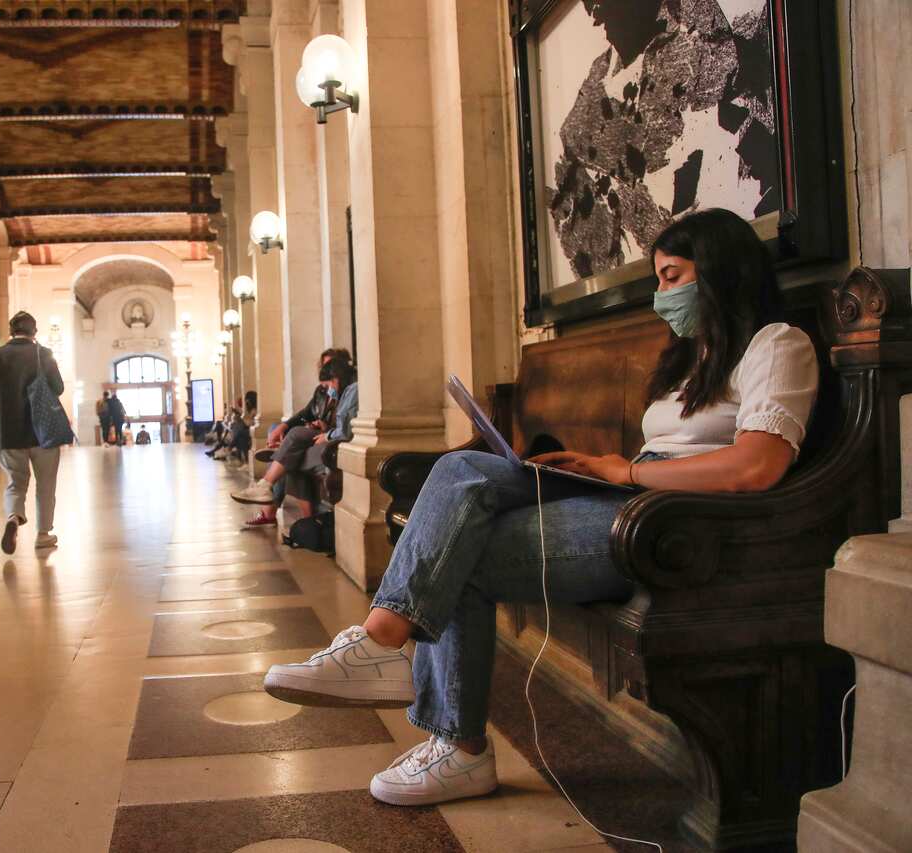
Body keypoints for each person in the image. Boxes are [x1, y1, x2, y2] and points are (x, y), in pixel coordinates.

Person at [261, 208, 819, 807]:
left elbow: (757, 466)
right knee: (460, 469)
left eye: (672, 277)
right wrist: (603, 464)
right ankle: (390, 651)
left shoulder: (777, 345)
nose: (661, 295)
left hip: (679, 523)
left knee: (457, 553)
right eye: (659, 278)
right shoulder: (694, 358)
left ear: (721, 272)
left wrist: (627, 470)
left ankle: (452, 738)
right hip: (633, 492)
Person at [0, 311, 65, 554]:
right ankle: (43, 534)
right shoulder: (44, 354)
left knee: (15, 482)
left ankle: (13, 517)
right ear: (35, 331)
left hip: (8, 431)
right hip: (43, 431)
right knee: (46, 484)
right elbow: (58, 388)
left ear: (11, 331)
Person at [241, 350, 349, 524]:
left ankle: (267, 492)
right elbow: (306, 413)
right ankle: (302, 518)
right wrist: (286, 425)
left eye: (331, 367)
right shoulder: (322, 391)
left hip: (330, 440)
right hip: (318, 437)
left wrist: (326, 428)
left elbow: (345, 427)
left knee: (291, 452)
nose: (327, 371)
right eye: (324, 366)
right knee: (286, 445)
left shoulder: (348, 391)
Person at [283, 361, 357, 514]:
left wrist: (327, 434)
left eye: (328, 385)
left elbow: (345, 431)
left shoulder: (352, 391)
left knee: (292, 456)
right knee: (292, 452)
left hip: (338, 445)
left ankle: (269, 480)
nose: (328, 390)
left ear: (335, 379)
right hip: (330, 439)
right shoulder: (345, 392)